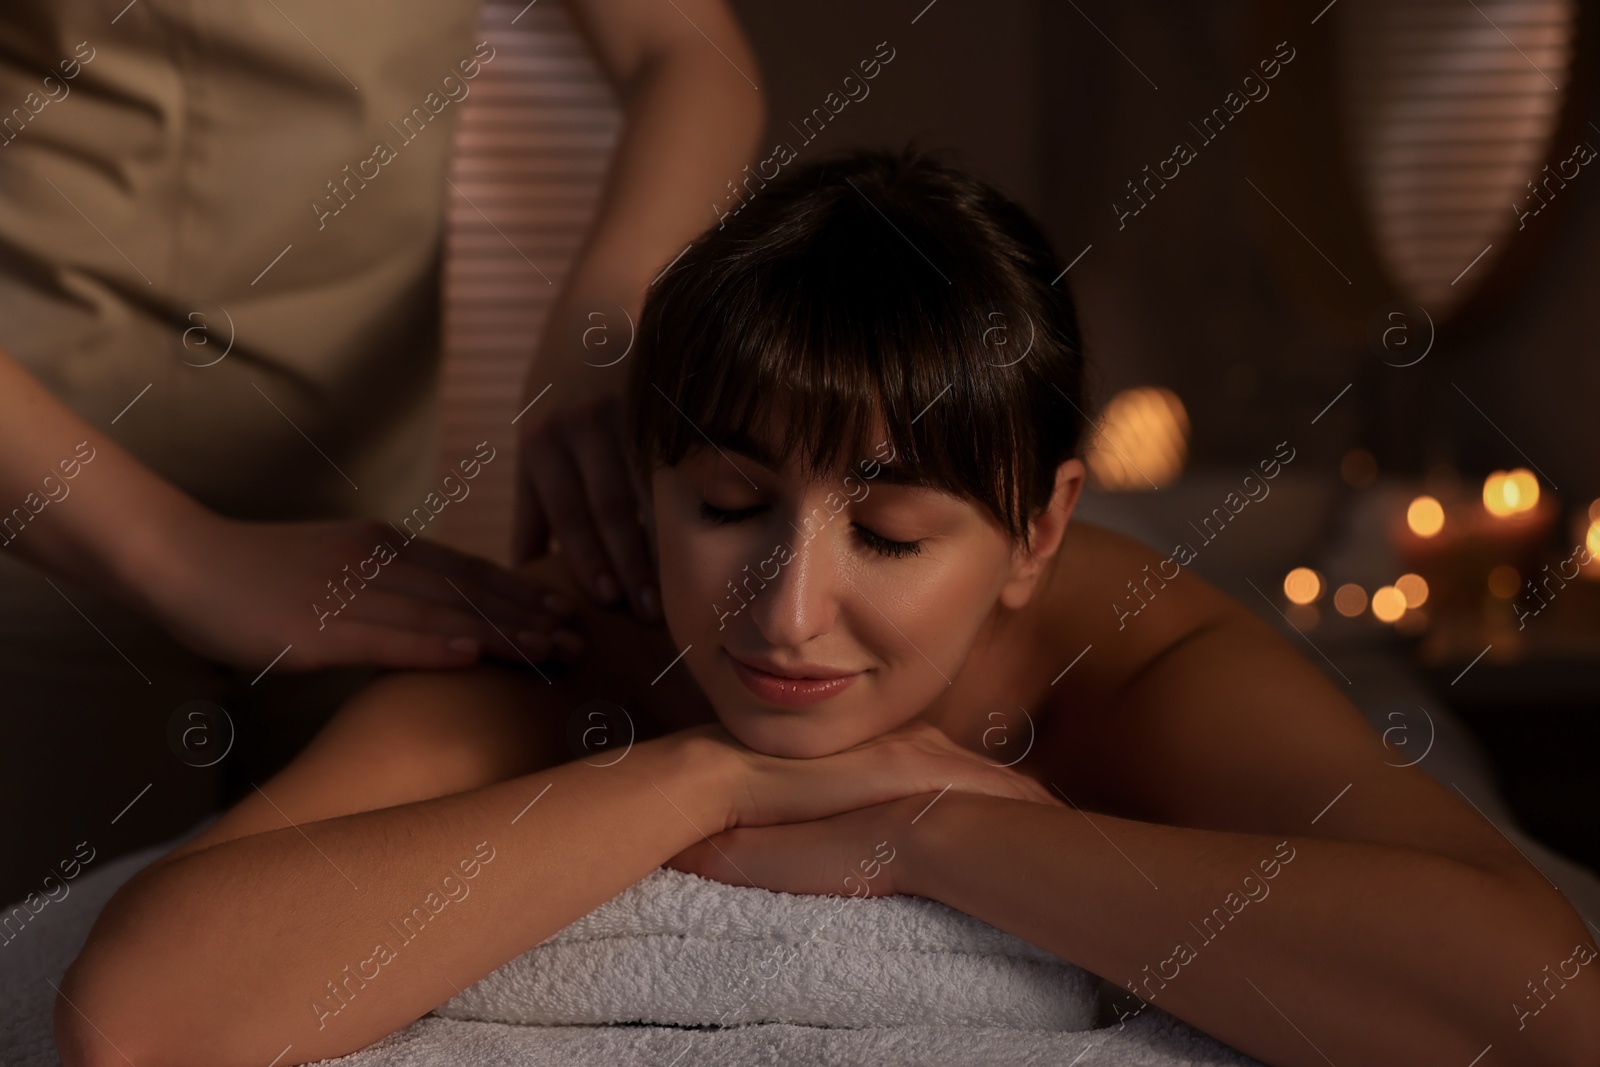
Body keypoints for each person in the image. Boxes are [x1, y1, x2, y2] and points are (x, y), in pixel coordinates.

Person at [56, 149, 1600, 1067]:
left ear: (1036, 528)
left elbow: (1544, 1002)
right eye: (725, 507)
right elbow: (138, 1016)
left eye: (892, 531)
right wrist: (707, 773)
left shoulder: (1132, 655)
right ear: (647, 482)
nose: (785, 612)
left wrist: (924, 829)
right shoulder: (578, 630)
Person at [0, 0, 763, 888]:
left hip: (364, 513)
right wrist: (179, 553)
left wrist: (611, 310)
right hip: (46, 498)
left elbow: (685, 48)